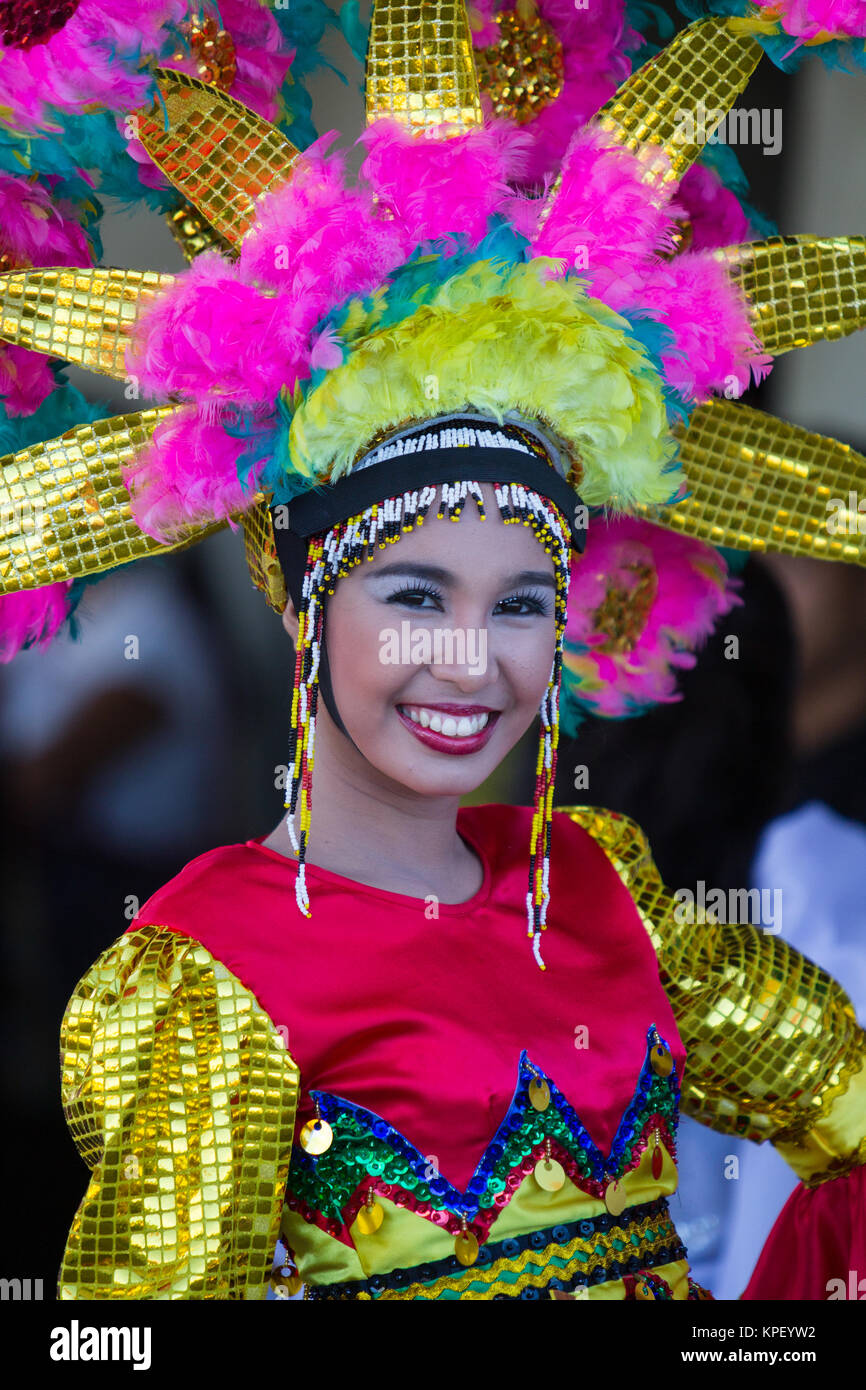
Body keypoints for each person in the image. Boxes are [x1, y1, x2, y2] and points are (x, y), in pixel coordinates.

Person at [2, 5, 866, 1301]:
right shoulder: (213, 967)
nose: (470, 660)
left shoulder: (603, 890)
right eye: (416, 592)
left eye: (523, 601)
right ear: (301, 605)